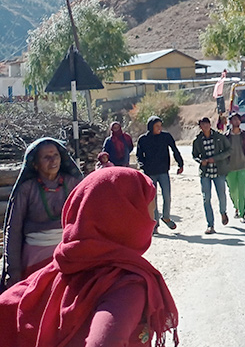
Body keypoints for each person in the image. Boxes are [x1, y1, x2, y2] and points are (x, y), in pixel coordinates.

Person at [0, 167, 180, 346]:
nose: (153, 221)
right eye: (150, 212)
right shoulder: (126, 285)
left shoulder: (52, 275)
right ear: (124, 218)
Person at [1, 138, 83, 289]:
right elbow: (13, 230)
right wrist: (13, 270)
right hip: (34, 260)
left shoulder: (73, 184)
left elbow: (86, 220)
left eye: (56, 155)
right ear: (35, 164)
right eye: (46, 157)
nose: (53, 160)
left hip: (68, 257)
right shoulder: (26, 190)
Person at [136, 116, 183, 232]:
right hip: (150, 173)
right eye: (157, 126)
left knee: (167, 196)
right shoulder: (143, 139)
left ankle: (166, 217)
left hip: (163, 172)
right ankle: (155, 223)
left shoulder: (165, 137)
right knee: (153, 199)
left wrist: (180, 164)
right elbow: (139, 156)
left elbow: (174, 150)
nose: (159, 128)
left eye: (160, 125)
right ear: (151, 126)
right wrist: (143, 167)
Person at [191, 117, 231, 234]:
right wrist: (200, 161)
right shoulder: (198, 140)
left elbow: (229, 150)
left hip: (219, 171)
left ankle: (223, 212)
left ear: (210, 124)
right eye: (203, 125)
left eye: (207, 124)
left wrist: (216, 159)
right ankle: (210, 225)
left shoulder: (219, 137)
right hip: (205, 173)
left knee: (221, 195)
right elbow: (194, 155)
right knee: (206, 199)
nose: (205, 126)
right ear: (200, 127)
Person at [222, 112, 245, 223]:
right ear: (230, 122)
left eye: (237, 120)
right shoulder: (226, 137)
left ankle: (242, 213)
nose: (236, 122)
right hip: (230, 168)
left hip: (243, 166)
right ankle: (236, 207)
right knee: (233, 191)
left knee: (242, 191)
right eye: (233, 120)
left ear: (240, 121)